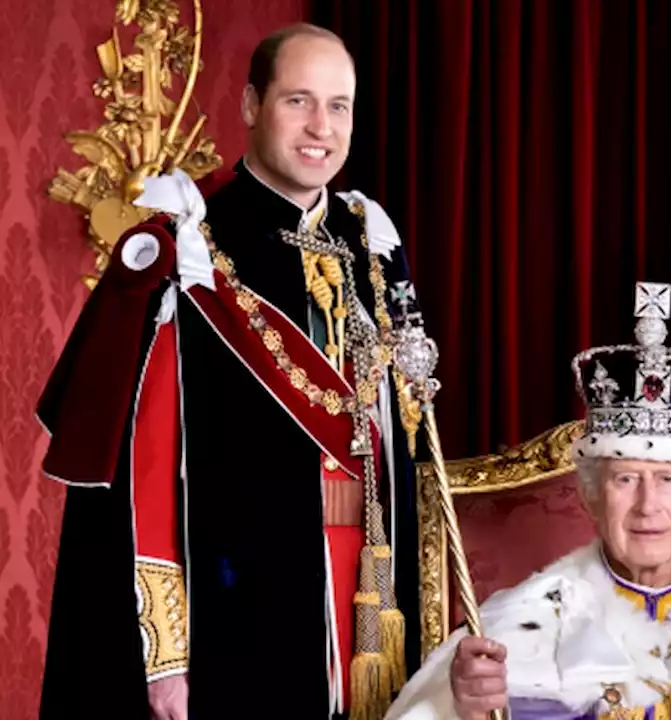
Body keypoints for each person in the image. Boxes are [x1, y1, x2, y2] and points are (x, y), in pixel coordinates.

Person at [37, 23, 429, 720]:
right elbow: (147, 466)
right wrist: (165, 658)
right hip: (237, 615)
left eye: (339, 106)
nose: (321, 128)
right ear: (251, 104)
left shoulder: (373, 244)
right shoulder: (185, 244)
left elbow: (410, 451)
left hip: (370, 611)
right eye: (298, 101)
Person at [386, 281, 671, 720]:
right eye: (625, 479)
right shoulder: (513, 631)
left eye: (667, 479)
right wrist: (465, 711)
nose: (648, 505)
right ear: (589, 497)